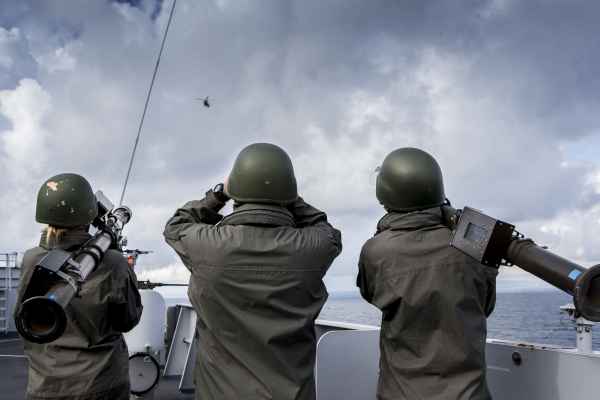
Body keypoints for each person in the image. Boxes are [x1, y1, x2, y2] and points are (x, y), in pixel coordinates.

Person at [164, 142, 342, 400]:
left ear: (237, 190)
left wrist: (219, 194)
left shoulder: (206, 245)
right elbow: (324, 227)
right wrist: (289, 197)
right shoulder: (314, 246)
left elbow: (176, 225)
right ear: (289, 192)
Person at [357, 148, 497, 400]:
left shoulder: (376, 251)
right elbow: (484, 306)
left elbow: (370, 294)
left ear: (386, 195)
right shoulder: (473, 247)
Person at [15, 173, 143, 400]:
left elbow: (23, 318)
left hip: (46, 386)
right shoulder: (112, 261)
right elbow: (127, 319)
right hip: (102, 384)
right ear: (89, 212)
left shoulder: (31, 259)